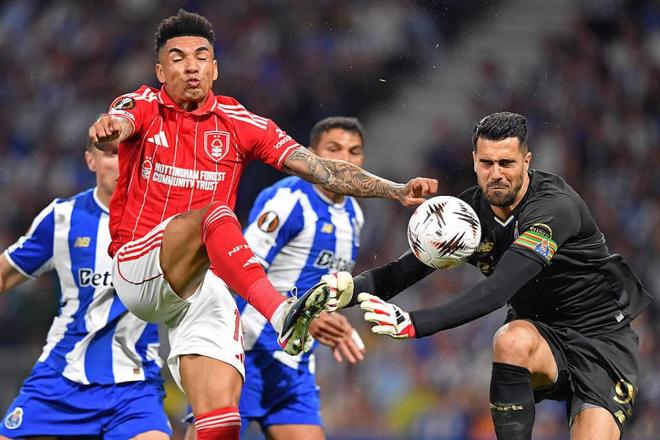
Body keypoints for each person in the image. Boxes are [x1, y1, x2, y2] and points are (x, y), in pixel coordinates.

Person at [87, 9, 437, 439]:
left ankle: (275, 324)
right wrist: (110, 128)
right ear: (161, 71)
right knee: (216, 214)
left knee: (221, 422)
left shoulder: (240, 123)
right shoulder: (143, 105)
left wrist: (396, 190)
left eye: (201, 57)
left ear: (215, 68)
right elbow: (119, 121)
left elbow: (323, 170)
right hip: (139, 268)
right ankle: (282, 313)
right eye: (177, 58)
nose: (191, 66)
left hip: (200, 286)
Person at [331, 112, 653, 440]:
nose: (496, 174)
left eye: (506, 163)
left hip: (600, 341)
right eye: (486, 163)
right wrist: (349, 291)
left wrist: (415, 322)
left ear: (526, 161)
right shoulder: (465, 216)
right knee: (510, 340)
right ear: (474, 161)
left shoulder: (554, 206)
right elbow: (403, 271)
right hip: (539, 338)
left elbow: (499, 290)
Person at [183, 116, 368, 440]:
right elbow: (236, 271)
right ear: (311, 155)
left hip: (293, 365)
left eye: (354, 151)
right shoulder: (287, 200)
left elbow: (315, 282)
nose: (344, 159)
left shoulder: (354, 214)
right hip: (245, 353)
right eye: (334, 149)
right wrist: (301, 317)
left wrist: (328, 318)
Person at [0, 142, 171, 439]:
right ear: (91, 161)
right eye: (111, 153)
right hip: (60, 380)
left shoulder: (168, 222)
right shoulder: (62, 218)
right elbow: (4, 275)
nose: (122, 162)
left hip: (135, 386)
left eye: (130, 153)